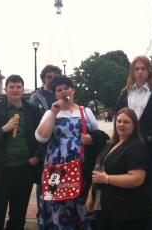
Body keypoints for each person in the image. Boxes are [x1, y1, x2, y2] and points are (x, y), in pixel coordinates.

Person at [0, 74, 44, 230]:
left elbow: (43, 137)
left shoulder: (32, 110)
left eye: (18, 87)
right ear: (5, 89)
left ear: (23, 89)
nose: (15, 90)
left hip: (24, 169)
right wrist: (3, 129)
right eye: (11, 87)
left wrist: (36, 156)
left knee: (18, 216)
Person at [35, 75, 100, 230]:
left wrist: (90, 139)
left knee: (82, 204)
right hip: (56, 170)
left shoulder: (85, 112)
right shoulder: (49, 114)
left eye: (66, 88)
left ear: (73, 90)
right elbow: (41, 137)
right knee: (57, 205)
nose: (64, 92)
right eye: (59, 90)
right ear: (55, 94)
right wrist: (53, 113)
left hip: (81, 167)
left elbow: (99, 136)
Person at [114, 55, 152, 230]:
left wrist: (140, 141)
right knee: (131, 196)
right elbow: (118, 119)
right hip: (128, 154)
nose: (140, 72)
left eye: (143, 68)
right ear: (132, 71)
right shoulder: (125, 94)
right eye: (136, 68)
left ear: (149, 71)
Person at [85, 107, 150, 230]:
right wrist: (90, 195)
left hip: (124, 211)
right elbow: (98, 172)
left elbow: (137, 178)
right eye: (119, 121)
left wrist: (107, 179)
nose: (121, 125)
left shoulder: (137, 147)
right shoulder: (111, 144)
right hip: (104, 207)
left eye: (126, 122)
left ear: (134, 125)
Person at [28, 64, 62, 225]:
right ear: (44, 79)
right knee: (44, 184)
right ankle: (43, 216)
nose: (52, 79)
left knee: (56, 182)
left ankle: (56, 214)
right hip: (43, 148)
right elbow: (34, 125)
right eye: (49, 77)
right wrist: (36, 153)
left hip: (60, 149)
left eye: (55, 76)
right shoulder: (37, 97)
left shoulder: (61, 95)